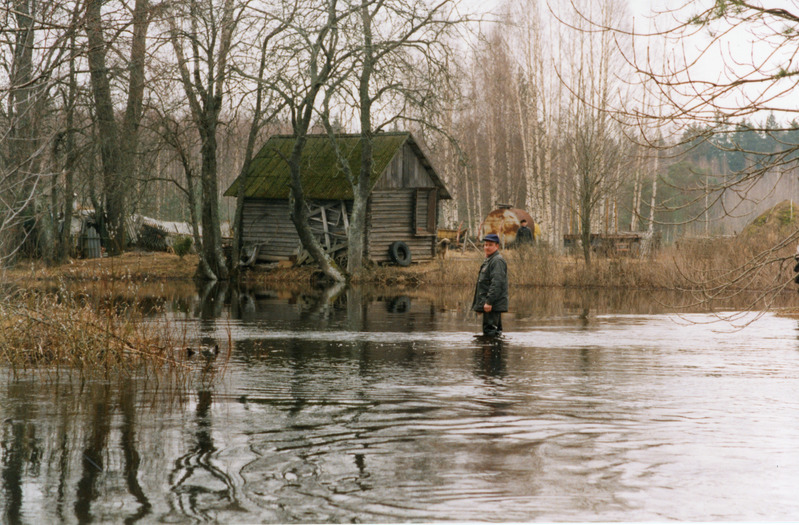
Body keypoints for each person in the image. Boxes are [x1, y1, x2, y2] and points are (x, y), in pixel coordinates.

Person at [472, 233, 509, 336]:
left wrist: (489, 302)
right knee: (494, 334)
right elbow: (484, 284)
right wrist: (479, 306)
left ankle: (491, 352)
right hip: (489, 305)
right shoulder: (489, 260)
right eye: (485, 245)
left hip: (492, 305)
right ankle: (496, 351)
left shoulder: (497, 261)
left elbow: (496, 283)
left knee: (490, 333)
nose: (486, 247)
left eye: (490, 245)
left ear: (497, 246)